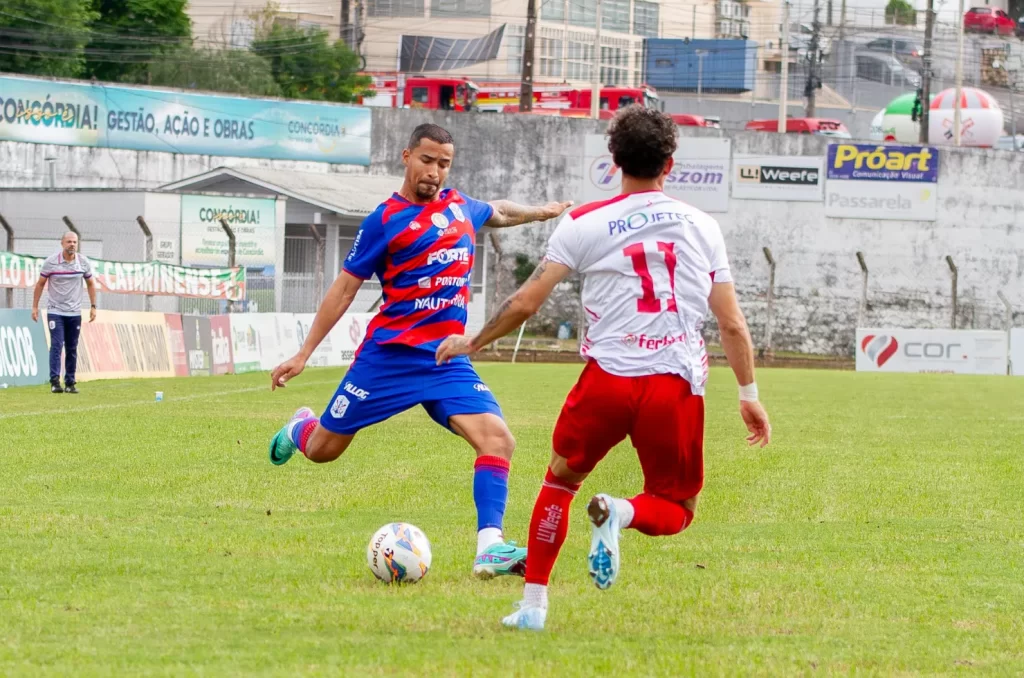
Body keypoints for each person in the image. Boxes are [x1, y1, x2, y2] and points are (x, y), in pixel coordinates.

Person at [435, 106, 772, 630]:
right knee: (678, 507)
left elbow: (527, 302)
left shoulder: (584, 222)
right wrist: (748, 393)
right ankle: (621, 511)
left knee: (559, 483)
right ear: (671, 163)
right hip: (674, 386)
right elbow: (731, 324)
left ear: (613, 159)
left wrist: (473, 341)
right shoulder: (703, 227)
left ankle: (532, 608)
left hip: (605, 383)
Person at [268, 123, 572, 579]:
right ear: (407, 157)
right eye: (427, 161)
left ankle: (490, 547)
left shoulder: (459, 205)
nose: (435, 171)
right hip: (389, 359)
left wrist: (541, 212)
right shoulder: (384, 221)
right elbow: (344, 290)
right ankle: (301, 429)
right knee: (324, 450)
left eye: (444, 163)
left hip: (447, 357)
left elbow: (500, 213)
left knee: (498, 440)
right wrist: (304, 353)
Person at [31, 232, 96, 394]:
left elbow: (90, 283)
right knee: (57, 345)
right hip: (55, 311)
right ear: (62, 243)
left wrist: (93, 306)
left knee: (72, 347)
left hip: (74, 313)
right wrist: (35, 307)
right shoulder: (51, 262)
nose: (72, 244)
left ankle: (70, 382)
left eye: (74, 242)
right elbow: (40, 284)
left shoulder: (83, 262)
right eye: (69, 242)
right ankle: (55, 381)